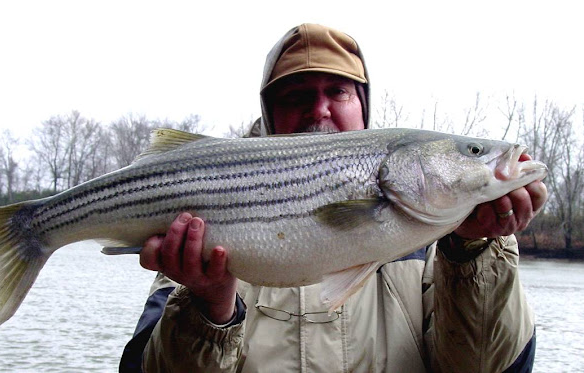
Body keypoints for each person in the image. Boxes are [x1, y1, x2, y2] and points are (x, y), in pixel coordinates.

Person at [120, 23, 547, 372]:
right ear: (271, 116)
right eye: (297, 96)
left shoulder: (442, 240)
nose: (319, 110)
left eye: (337, 92)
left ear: (363, 107)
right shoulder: (198, 229)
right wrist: (209, 305)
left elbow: (492, 367)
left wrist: (473, 251)